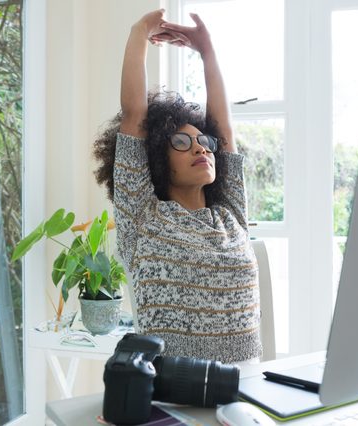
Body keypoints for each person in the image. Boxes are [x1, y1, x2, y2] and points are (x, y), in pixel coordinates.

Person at [93, 9, 262, 364]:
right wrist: (140, 32)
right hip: (172, 393)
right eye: (182, 143)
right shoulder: (143, 218)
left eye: (203, 142)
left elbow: (224, 132)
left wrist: (208, 50)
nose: (202, 147)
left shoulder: (231, 214)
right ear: (157, 159)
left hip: (245, 387)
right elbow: (134, 117)